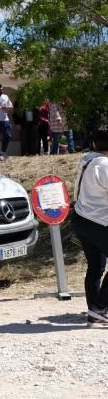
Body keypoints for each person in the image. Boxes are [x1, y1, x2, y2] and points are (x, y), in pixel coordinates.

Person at [72, 128, 108, 324]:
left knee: (95, 266)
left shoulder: (86, 160)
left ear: (94, 144)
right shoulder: (104, 165)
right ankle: (101, 306)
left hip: (80, 218)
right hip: (99, 221)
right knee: (96, 265)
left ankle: (95, 310)